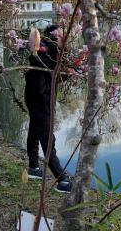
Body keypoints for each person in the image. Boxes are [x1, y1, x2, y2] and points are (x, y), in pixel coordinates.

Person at [24, 24, 72, 193]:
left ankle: (33, 168)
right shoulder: (44, 49)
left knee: (35, 130)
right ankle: (62, 180)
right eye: (61, 36)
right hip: (39, 100)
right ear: (54, 37)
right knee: (47, 136)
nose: (64, 39)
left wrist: (66, 74)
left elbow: (51, 75)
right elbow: (40, 71)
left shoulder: (52, 52)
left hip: (38, 98)